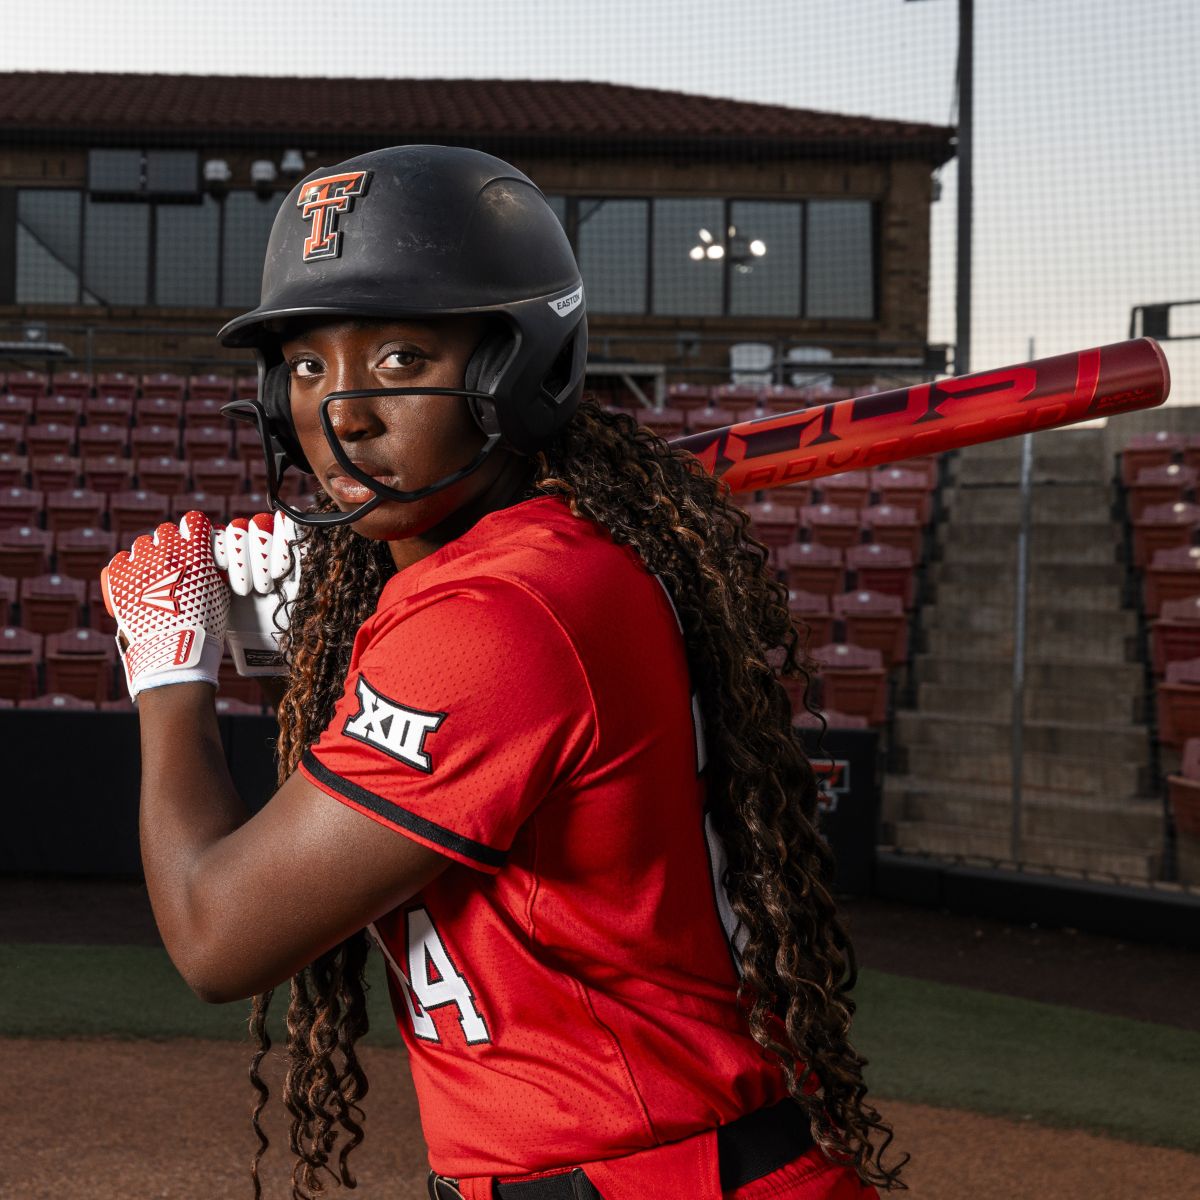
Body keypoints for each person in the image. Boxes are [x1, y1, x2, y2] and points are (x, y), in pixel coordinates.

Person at [101, 145, 907, 1200]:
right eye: (307, 364)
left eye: (399, 359)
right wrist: (313, 618)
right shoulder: (533, 572)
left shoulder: (499, 613)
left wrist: (169, 664)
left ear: (517, 370)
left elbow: (217, 934)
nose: (343, 411)